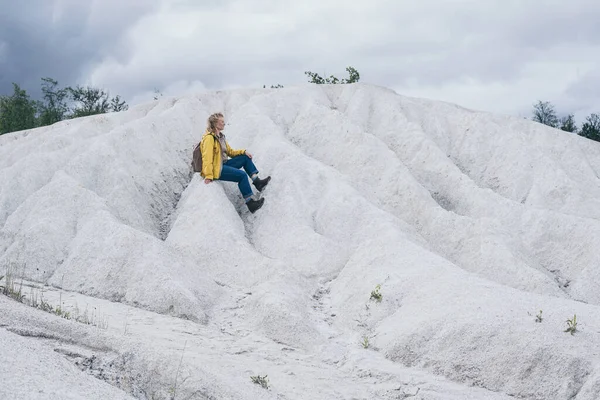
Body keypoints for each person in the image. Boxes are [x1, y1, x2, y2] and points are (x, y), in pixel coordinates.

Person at [200, 112, 271, 213]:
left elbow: (231, 152)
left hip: (224, 164)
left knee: (245, 158)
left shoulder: (221, 137)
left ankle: (257, 182)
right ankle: (251, 203)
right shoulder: (209, 138)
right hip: (216, 169)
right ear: (215, 123)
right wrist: (208, 175)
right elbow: (206, 157)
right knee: (242, 175)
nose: (224, 123)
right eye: (222, 122)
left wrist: (243, 152)